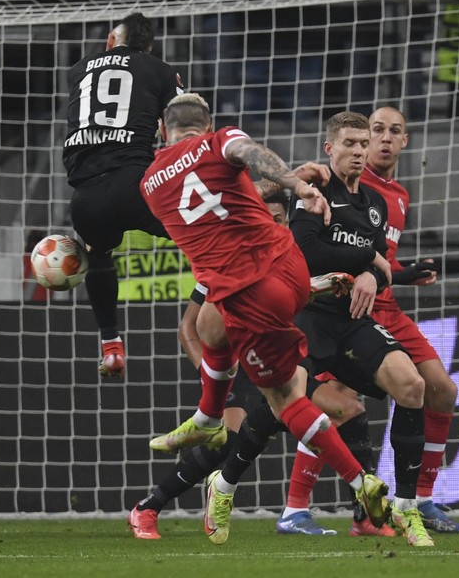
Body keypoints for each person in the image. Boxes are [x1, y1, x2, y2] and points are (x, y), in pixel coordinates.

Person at [139, 93, 388, 547]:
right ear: (207, 122)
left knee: (282, 400)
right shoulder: (220, 142)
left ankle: (353, 482)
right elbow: (250, 156)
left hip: (250, 295)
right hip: (290, 272)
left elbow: (210, 200)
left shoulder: (151, 185)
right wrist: (297, 182)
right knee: (257, 383)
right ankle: (202, 452)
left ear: (161, 129)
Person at [129, 193, 371, 539]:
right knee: (225, 441)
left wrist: (320, 285)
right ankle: (148, 507)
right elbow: (189, 329)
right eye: (266, 217)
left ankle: (339, 514)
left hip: (275, 361)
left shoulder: (289, 259)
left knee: (345, 409)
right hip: (238, 368)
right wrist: (213, 379)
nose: (273, 224)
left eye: (279, 218)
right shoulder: (227, 260)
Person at [294, 107, 459, 533]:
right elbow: (319, 247)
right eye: (375, 131)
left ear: (404, 141)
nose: (382, 140)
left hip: (383, 302)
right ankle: (300, 505)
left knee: (439, 390)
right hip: (338, 305)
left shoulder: (395, 197)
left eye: (394, 132)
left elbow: (380, 261)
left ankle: (421, 500)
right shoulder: (332, 182)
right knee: (337, 401)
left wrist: (404, 272)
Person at [63, 12, 184, 378]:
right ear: (147, 47)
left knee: (99, 252)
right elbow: (178, 125)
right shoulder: (159, 70)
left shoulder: (78, 69)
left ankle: (111, 343)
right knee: (206, 232)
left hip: (84, 197)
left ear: (111, 41)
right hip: (135, 185)